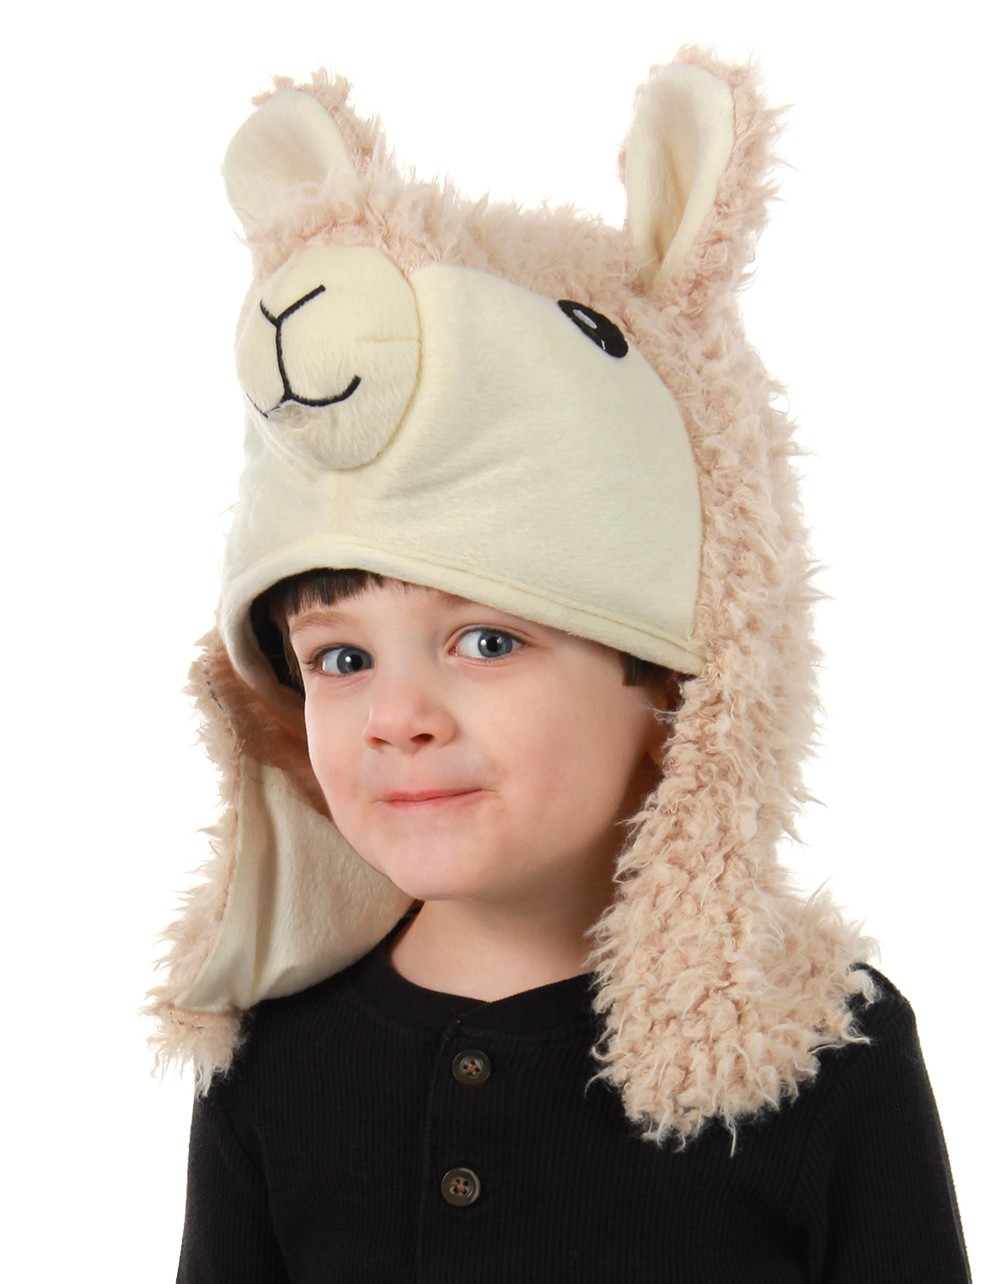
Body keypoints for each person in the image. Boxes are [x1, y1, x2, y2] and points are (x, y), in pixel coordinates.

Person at [152, 49, 971, 1282]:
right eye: (340, 655)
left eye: (488, 640)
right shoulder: (272, 1063)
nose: (396, 715)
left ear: (674, 687)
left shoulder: (813, 1053)